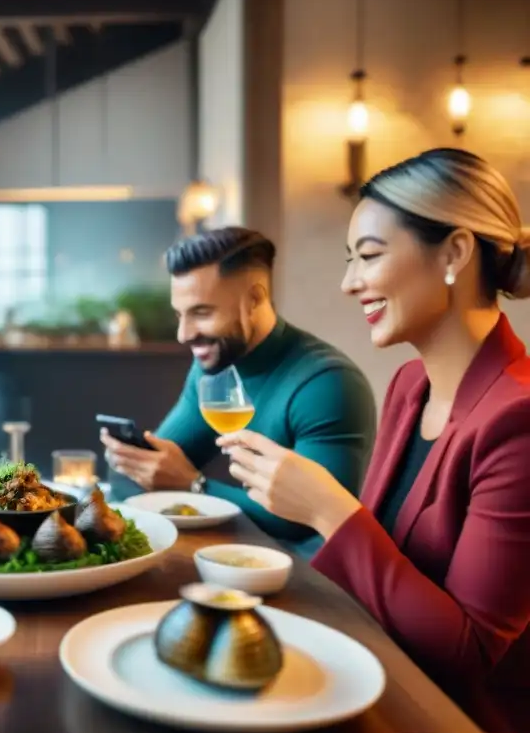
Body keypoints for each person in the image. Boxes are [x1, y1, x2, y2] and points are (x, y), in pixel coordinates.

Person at [218, 149, 530, 733]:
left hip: (459, 725)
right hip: (382, 677)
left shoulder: (518, 420)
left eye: (369, 256)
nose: (348, 283)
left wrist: (327, 508)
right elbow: (381, 570)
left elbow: (470, 654)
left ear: (455, 254)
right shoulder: (411, 386)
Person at [101, 226, 378, 550]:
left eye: (202, 312)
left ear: (255, 299)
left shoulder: (328, 385)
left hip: (311, 584)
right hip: (231, 557)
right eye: (180, 315)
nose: (184, 333)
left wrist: (194, 484)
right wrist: (134, 461)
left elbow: (305, 521)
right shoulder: (215, 367)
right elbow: (155, 474)